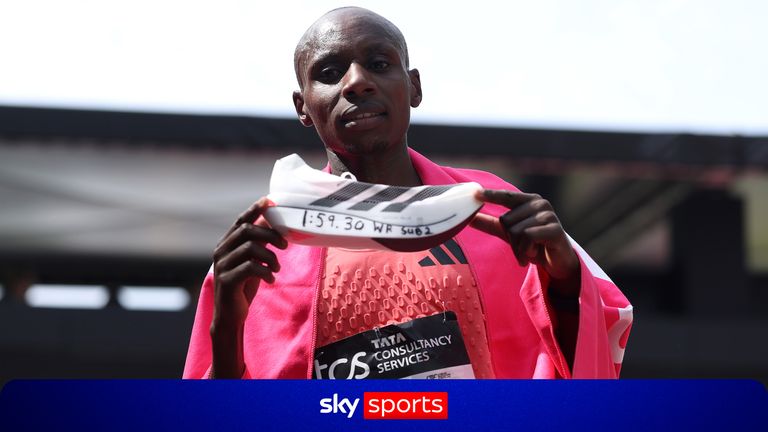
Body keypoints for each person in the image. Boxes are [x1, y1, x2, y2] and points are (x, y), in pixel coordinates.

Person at [183, 7, 632, 379]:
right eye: (330, 72)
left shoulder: (497, 207)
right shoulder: (263, 242)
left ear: (414, 87)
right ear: (303, 106)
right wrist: (226, 329)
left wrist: (566, 280)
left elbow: (599, 345)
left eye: (379, 64)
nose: (356, 82)